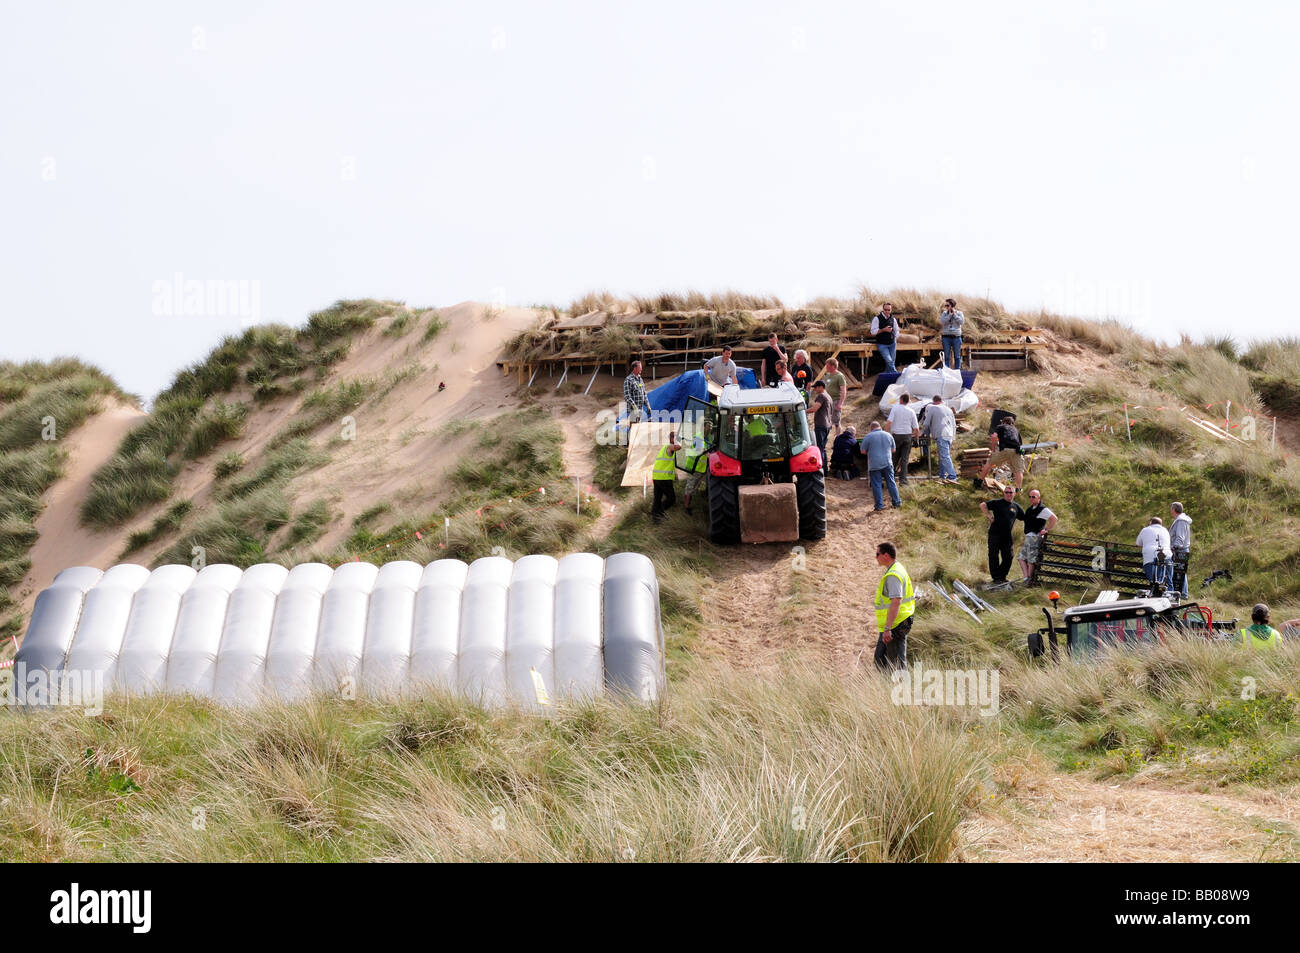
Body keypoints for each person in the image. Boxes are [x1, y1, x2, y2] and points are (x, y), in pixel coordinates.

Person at [873, 541, 915, 671]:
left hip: (895, 625)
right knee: (880, 659)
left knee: (896, 665)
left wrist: (887, 628)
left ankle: (901, 689)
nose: (876, 557)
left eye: (877, 554)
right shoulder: (896, 569)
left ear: (886, 555)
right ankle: (885, 688)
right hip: (894, 623)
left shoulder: (893, 575)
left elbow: (896, 601)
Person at [981, 487, 1023, 583]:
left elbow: (1025, 517)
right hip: (994, 534)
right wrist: (989, 515)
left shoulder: (1016, 507)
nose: (1008, 494)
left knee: (1009, 556)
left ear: (1014, 494)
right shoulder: (997, 503)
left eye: (1010, 492)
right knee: (993, 556)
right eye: (1006, 492)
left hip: (1007, 536)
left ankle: (1002, 576)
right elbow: (982, 505)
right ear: (1004, 493)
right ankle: (996, 578)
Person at [975, 412, 1025, 490]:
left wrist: (993, 448)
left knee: (989, 463)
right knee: (1019, 471)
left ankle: (979, 482)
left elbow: (994, 436)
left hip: (1005, 449)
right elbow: (1020, 443)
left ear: (1003, 422)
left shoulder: (1001, 426)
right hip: (1016, 451)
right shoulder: (1016, 430)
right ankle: (1019, 489)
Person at [1018, 488, 1059, 581]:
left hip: (1035, 537)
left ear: (1039, 498)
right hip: (1028, 537)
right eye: (1030, 497)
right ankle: (1026, 578)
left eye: (1034, 497)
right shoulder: (1029, 509)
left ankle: (1029, 580)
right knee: (1021, 558)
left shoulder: (1043, 509)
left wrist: (1046, 529)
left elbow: (1054, 518)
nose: (1031, 499)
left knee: (1031, 560)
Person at [861, 421, 900, 511]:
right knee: (891, 482)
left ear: (871, 428)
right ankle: (896, 502)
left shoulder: (868, 436)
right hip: (887, 463)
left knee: (877, 485)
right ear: (879, 427)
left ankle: (879, 506)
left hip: (874, 464)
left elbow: (863, 451)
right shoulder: (889, 435)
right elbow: (893, 450)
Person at [921, 394, 958, 482]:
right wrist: (953, 437)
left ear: (934, 401)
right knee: (943, 456)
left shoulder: (933, 408)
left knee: (944, 456)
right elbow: (954, 424)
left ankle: (952, 476)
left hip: (942, 434)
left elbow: (926, 424)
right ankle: (942, 475)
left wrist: (923, 433)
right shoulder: (948, 409)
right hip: (949, 435)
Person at [886, 393, 920, 485]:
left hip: (896, 436)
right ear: (908, 401)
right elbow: (916, 428)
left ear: (900, 400)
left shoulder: (895, 409)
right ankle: (903, 480)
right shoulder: (911, 411)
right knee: (905, 459)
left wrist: (884, 432)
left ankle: (890, 479)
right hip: (907, 436)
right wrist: (916, 439)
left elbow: (889, 422)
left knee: (894, 458)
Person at [651, 431, 682, 523]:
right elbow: (679, 447)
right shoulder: (669, 446)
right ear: (672, 439)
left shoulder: (665, 448)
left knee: (657, 498)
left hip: (657, 477)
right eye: (677, 438)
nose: (678, 439)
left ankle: (655, 518)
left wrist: (675, 475)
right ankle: (660, 512)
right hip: (664, 478)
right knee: (671, 499)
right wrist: (681, 440)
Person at [1136, 517, 1174, 590]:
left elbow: (1138, 543)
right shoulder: (1165, 530)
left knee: (1153, 580)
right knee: (1169, 579)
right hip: (1166, 555)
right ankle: (1170, 593)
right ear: (1161, 524)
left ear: (1151, 523)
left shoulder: (1145, 530)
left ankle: (1155, 593)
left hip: (1150, 557)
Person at [681, 435, 710, 516]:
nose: (710, 428)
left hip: (699, 469)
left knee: (694, 488)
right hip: (693, 468)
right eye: (708, 426)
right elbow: (701, 450)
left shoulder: (705, 439)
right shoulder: (699, 437)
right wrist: (710, 455)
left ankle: (691, 504)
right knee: (690, 488)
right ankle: (686, 508)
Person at [807, 380, 832, 472]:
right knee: (823, 448)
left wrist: (802, 411)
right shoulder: (828, 396)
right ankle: (825, 470)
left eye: (816, 387)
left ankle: (820, 469)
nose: (815, 389)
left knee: (819, 449)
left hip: (821, 425)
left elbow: (814, 409)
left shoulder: (821, 396)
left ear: (821, 387)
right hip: (827, 425)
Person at [1169, 502, 1193, 599]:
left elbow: (1180, 537)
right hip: (1180, 549)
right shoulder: (1180, 520)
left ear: (1174, 509)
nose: (1170, 511)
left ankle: (1183, 593)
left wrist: (1174, 547)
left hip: (1180, 550)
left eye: (1171, 509)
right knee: (1180, 571)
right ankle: (1182, 593)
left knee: (1181, 571)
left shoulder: (1181, 521)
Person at [870, 302, 900, 374]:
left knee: (891, 361)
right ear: (883, 309)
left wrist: (895, 337)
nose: (887, 311)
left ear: (891, 310)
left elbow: (897, 330)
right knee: (889, 360)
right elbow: (872, 332)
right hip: (882, 344)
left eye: (888, 310)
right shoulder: (877, 318)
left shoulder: (893, 319)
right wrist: (883, 329)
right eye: (885, 309)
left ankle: (888, 375)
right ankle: (895, 373)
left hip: (892, 343)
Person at [821, 358, 848, 434]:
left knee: (836, 421)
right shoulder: (828, 375)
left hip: (835, 401)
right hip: (827, 401)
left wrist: (840, 404)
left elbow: (843, 391)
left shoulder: (840, 376)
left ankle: (838, 437)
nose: (826, 368)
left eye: (828, 366)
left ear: (833, 366)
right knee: (827, 420)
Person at [939, 297, 964, 370]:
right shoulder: (944, 313)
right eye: (945, 305)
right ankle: (947, 371)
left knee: (957, 356)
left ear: (952, 305)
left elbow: (961, 322)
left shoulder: (959, 313)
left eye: (947, 305)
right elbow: (942, 322)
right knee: (946, 356)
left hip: (956, 337)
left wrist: (954, 315)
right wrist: (949, 315)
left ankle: (957, 371)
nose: (946, 307)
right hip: (946, 337)